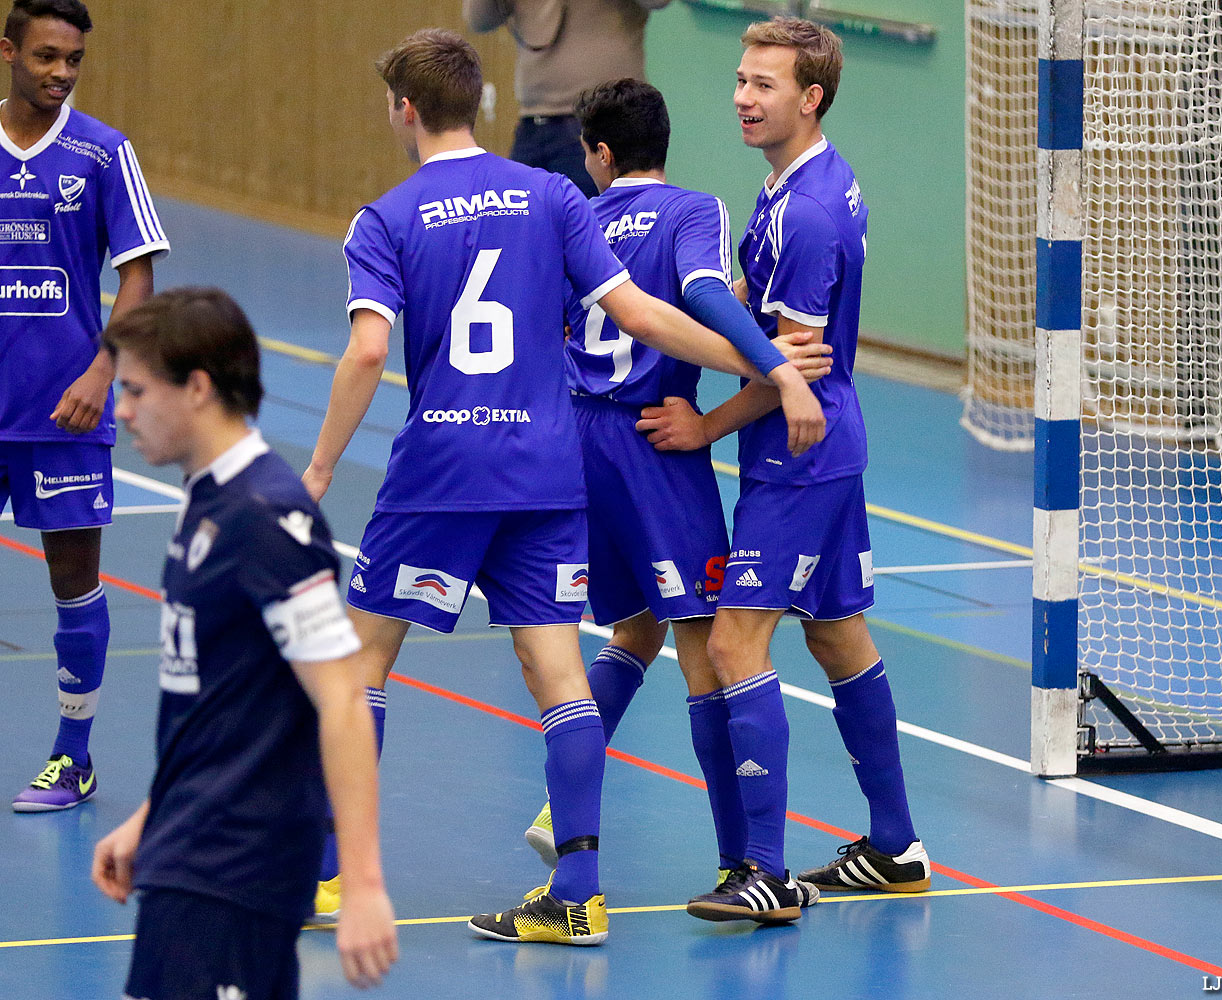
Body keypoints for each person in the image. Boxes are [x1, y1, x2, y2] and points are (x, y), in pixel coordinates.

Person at [301, 28, 828, 945]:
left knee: (361, 670)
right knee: (557, 679)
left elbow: (370, 348)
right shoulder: (550, 196)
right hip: (546, 473)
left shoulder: (383, 219)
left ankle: (331, 879)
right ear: (479, 104)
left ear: (406, 109)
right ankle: (577, 894)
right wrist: (769, 368)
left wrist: (314, 470)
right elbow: (644, 314)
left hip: (440, 473)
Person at [636, 17, 931, 922]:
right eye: (739, 79)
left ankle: (763, 871)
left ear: (811, 98)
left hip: (799, 461)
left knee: (733, 645)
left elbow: (788, 371)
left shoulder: (801, 213)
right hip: (829, 452)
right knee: (838, 636)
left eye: (762, 85)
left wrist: (705, 427)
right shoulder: (806, 186)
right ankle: (895, 847)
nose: (741, 97)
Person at [519, 77, 824, 904]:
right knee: (709, 654)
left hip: (574, 443)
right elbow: (697, 291)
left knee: (634, 626)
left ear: (602, 155)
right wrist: (773, 364)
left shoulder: (573, 221)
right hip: (656, 441)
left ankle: (562, 806)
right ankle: (745, 864)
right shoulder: (694, 210)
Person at [90, 287, 397, 997]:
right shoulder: (206, 497)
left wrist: (365, 885)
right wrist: (151, 817)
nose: (122, 409)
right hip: (186, 853)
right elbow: (227, 708)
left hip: (236, 871)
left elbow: (343, 701)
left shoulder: (266, 519)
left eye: (135, 391)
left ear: (197, 388)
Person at [0, 0, 166, 812]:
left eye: (73, 60)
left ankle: (73, 756)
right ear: (8, 52)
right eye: (45, 57)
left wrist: (103, 370)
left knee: (73, 578)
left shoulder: (103, 153)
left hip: (63, 409)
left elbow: (137, 271)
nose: (61, 72)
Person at [461, 0, 670, 194]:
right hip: (532, 125)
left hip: (601, 125)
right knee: (519, 223)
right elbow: (479, 20)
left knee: (602, 226)